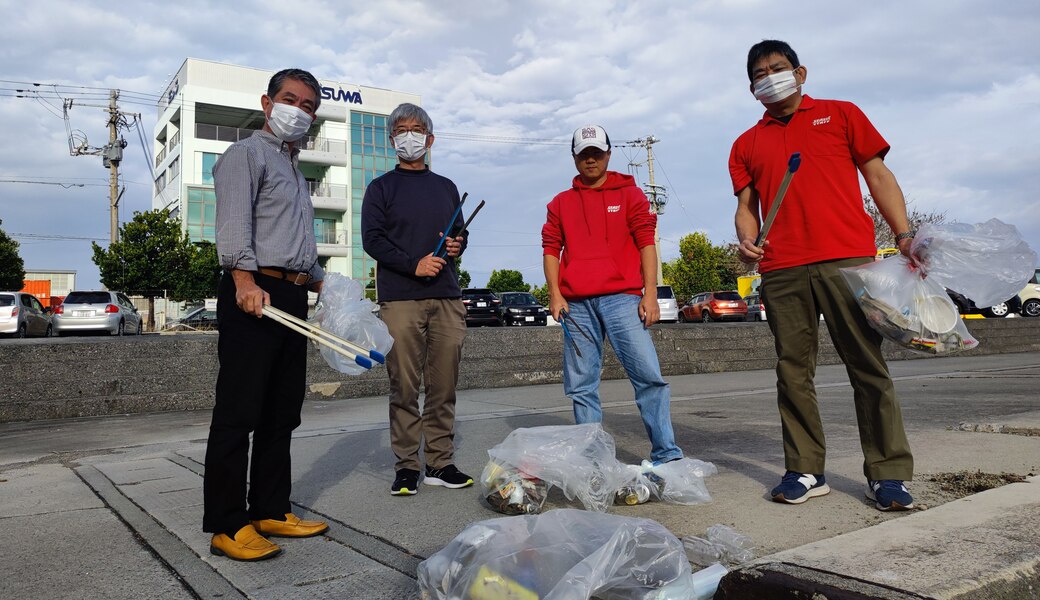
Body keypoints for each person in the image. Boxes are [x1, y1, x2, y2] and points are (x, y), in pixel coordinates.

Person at [729, 40, 916, 511]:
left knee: (867, 366)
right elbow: (745, 208)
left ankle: (888, 474)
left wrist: (905, 234)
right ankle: (806, 470)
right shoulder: (745, 143)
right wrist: (748, 240)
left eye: (778, 68)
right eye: (760, 74)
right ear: (751, 88)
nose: (770, 77)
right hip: (782, 268)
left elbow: (877, 175)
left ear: (801, 72)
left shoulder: (841, 114)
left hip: (847, 260)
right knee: (792, 371)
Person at [204, 68, 330, 561]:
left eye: (308, 105)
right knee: (238, 412)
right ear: (267, 102)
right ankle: (227, 523)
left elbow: (296, 242)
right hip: (253, 293)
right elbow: (234, 223)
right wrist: (242, 280)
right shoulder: (246, 155)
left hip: (293, 295)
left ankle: (270, 509)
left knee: (282, 412)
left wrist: (323, 283)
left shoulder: (296, 171)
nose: (298, 110)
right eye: (289, 99)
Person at [541, 124, 684, 466]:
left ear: (608, 154)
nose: (590, 160)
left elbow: (646, 243)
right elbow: (550, 248)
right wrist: (555, 294)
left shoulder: (631, 195)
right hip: (576, 304)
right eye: (583, 154)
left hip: (623, 298)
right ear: (574, 157)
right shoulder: (560, 203)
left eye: (596, 153)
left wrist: (649, 294)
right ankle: (594, 462)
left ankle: (667, 454)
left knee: (648, 376)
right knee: (581, 386)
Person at [361, 103, 473, 496]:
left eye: (417, 129)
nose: (410, 135)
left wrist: (458, 245)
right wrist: (414, 264)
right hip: (400, 300)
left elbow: (459, 234)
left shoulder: (445, 187)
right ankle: (407, 465)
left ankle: (440, 462)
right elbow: (372, 240)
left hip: (447, 297)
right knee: (404, 387)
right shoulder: (380, 188)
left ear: (430, 138)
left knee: (444, 385)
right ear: (392, 139)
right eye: (402, 129)